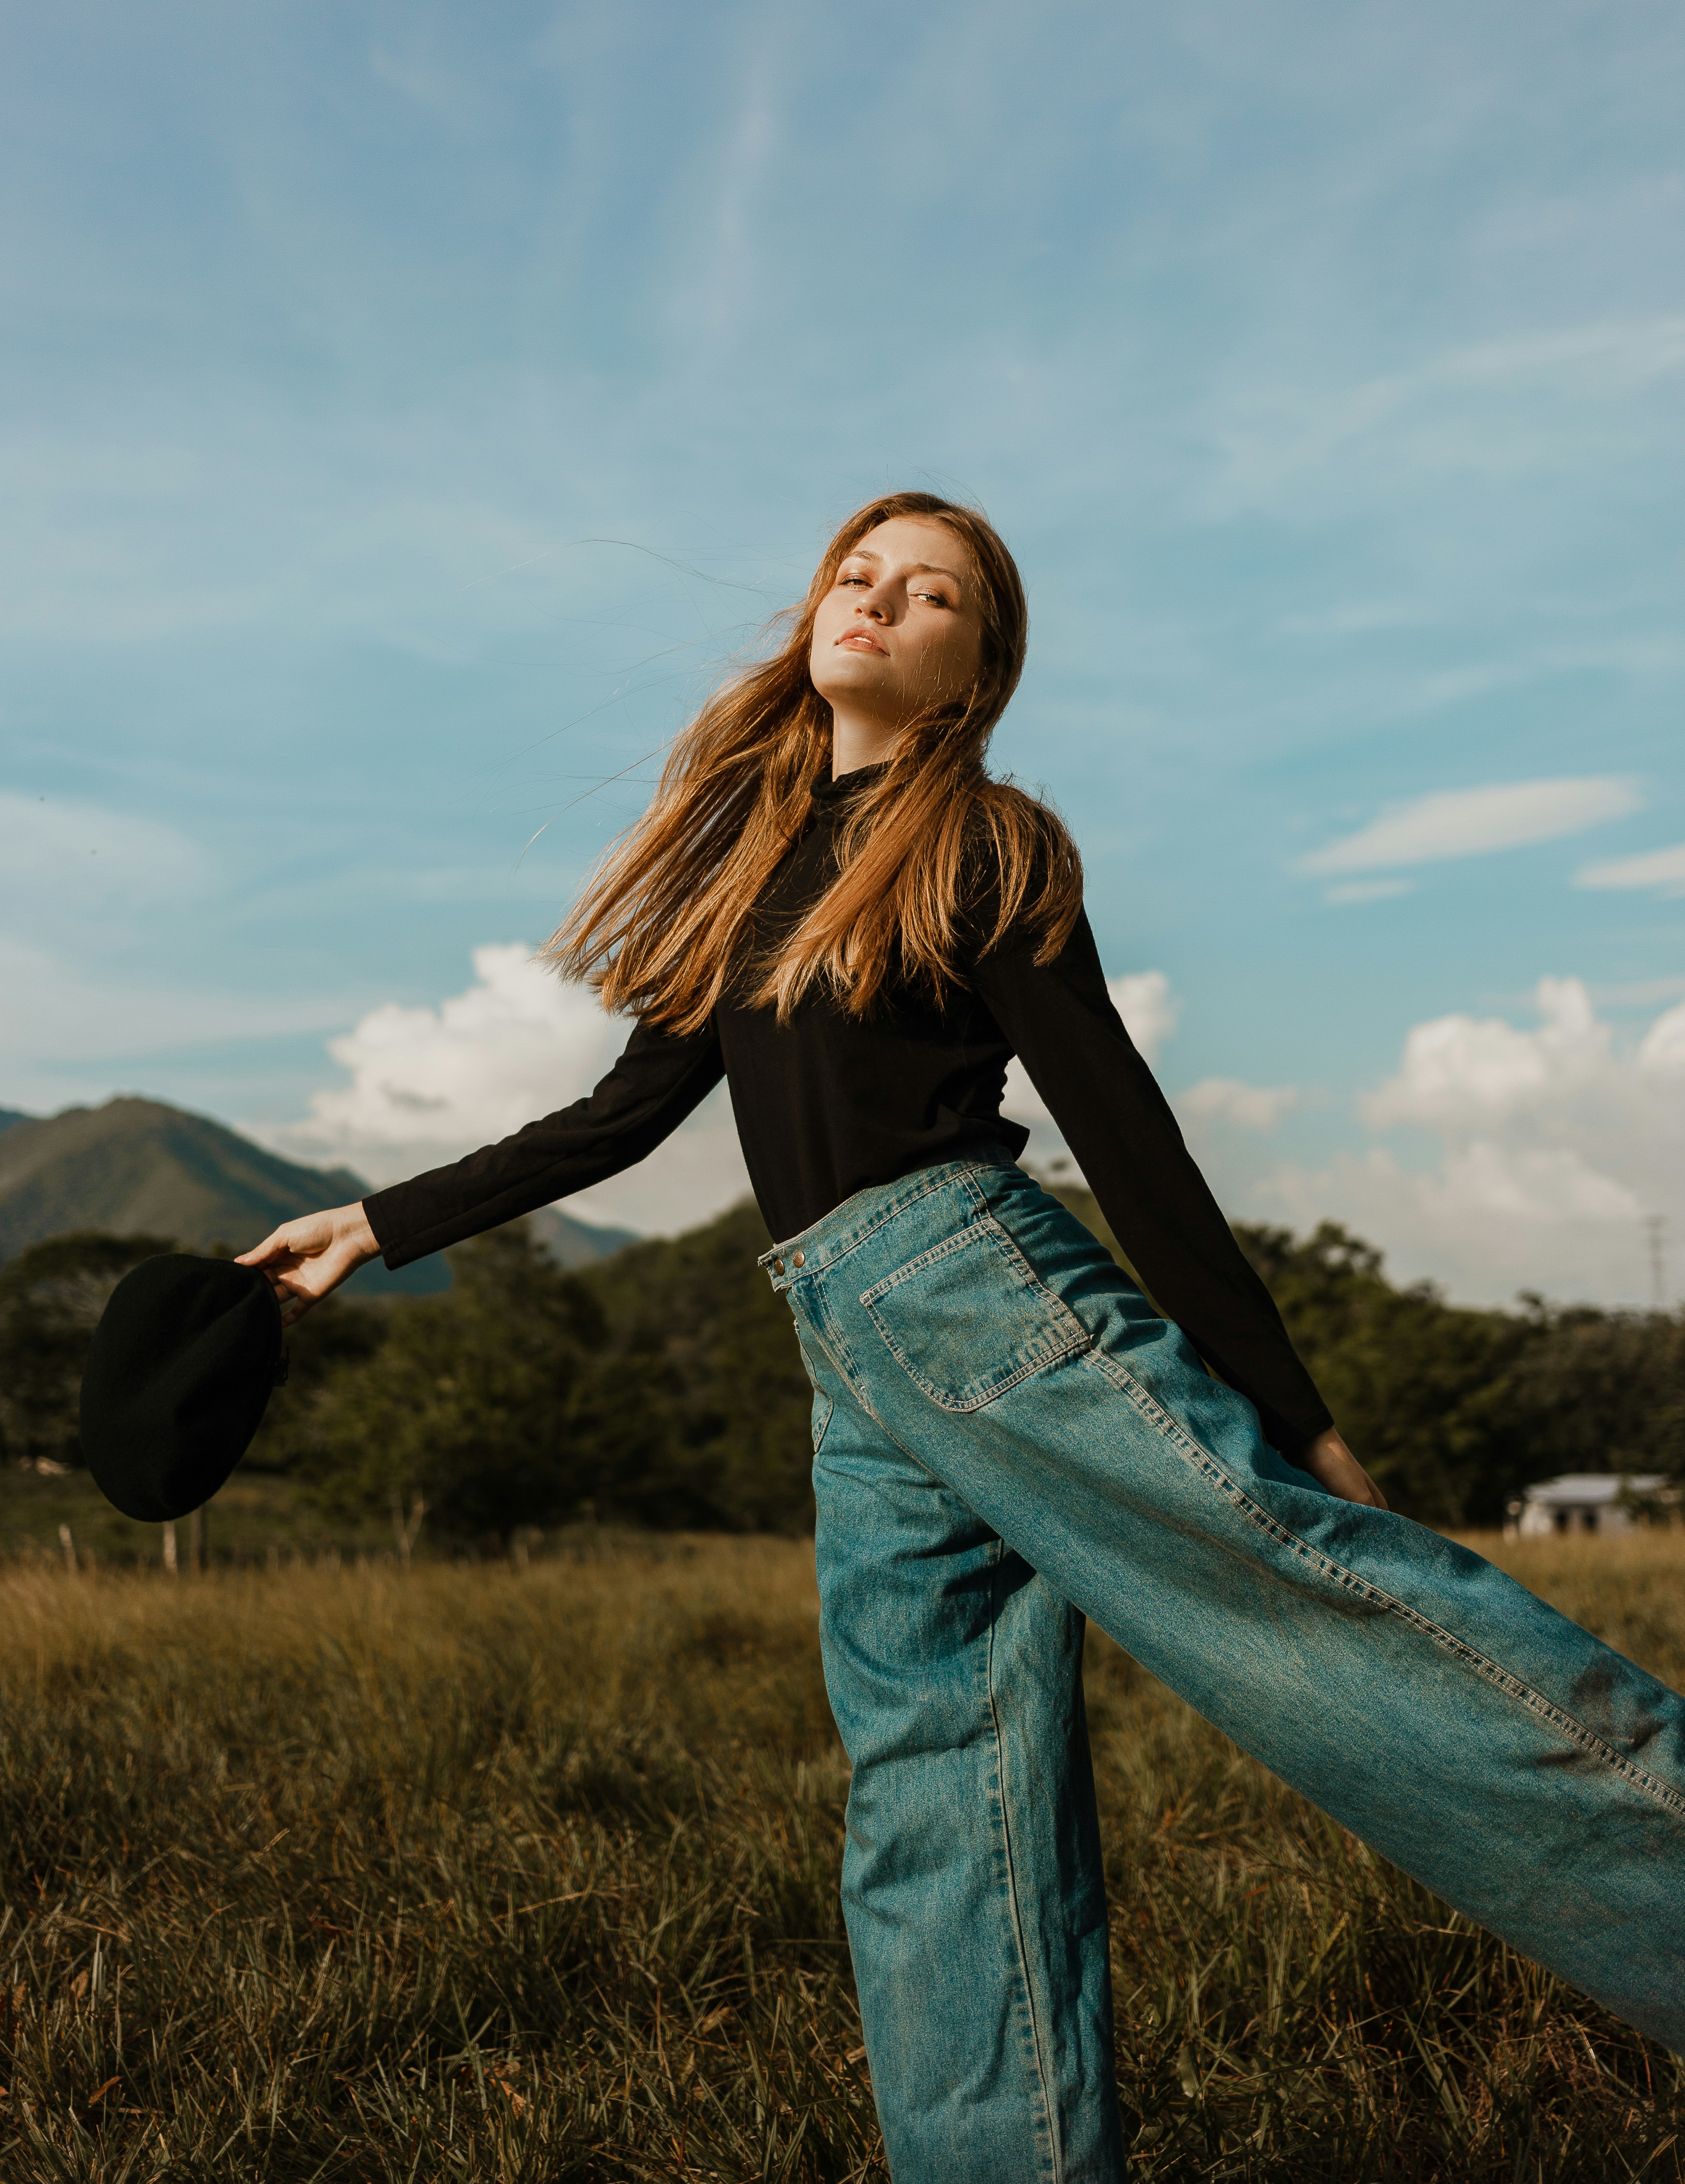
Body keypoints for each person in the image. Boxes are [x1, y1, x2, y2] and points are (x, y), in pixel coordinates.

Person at [243, 491, 1685, 2182]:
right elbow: (620, 1118)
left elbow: (1124, 1131)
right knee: (939, 1800)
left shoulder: (981, 837)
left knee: (1324, 1615)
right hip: (849, 1363)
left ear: (971, 669)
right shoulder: (743, 861)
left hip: (979, 1294)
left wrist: (1287, 1412)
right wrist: (380, 1219)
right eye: (857, 576)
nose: (878, 601)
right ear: (812, 615)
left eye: (928, 594)